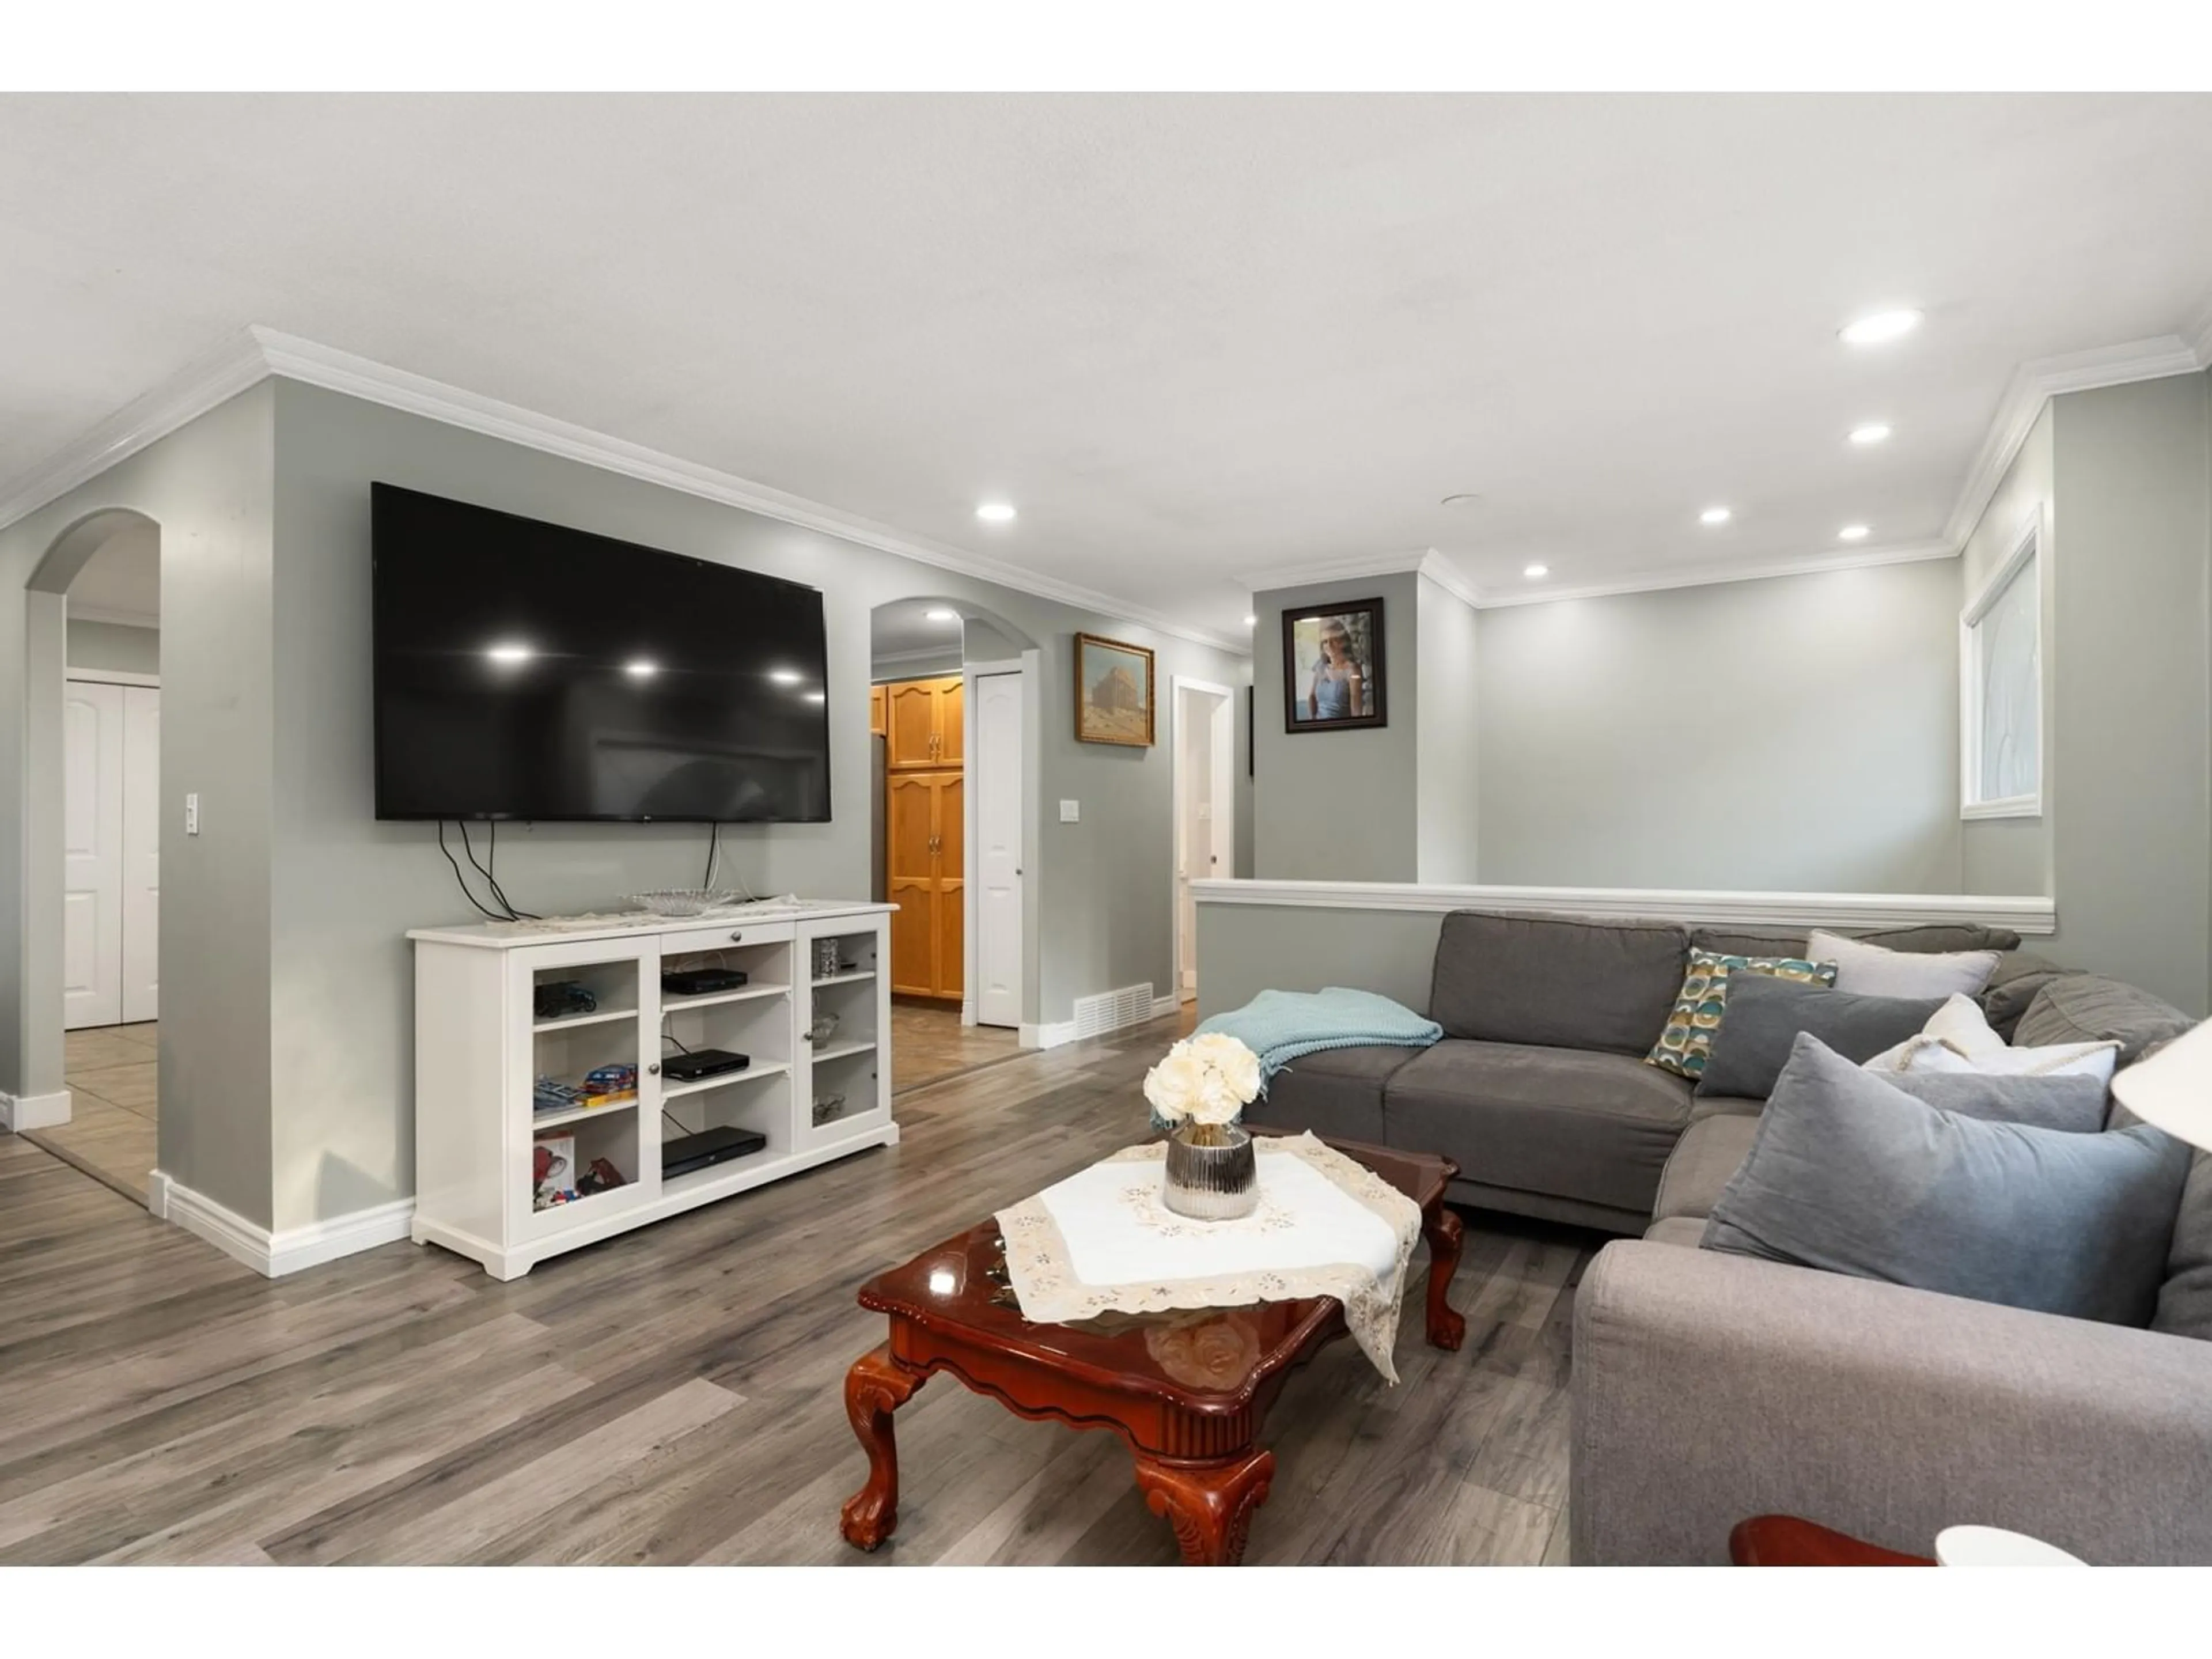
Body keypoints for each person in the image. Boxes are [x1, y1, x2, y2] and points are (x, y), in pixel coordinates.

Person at [1305, 616, 1365, 720]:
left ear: (1342, 642)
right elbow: (1312, 697)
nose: (1329, 645)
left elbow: (1356, 708)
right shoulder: (1321, 668)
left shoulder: (1353, 670)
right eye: (1325, 642)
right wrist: (1312, 720)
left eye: (1334, 640)